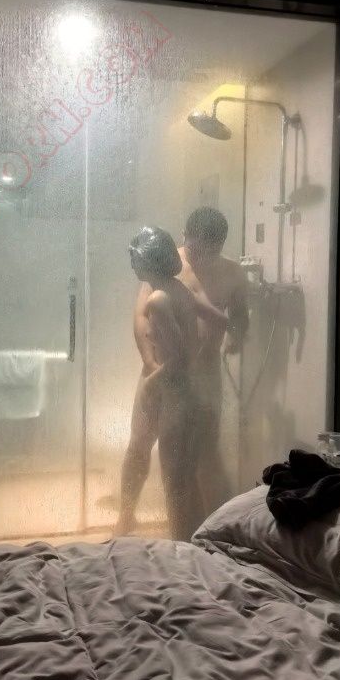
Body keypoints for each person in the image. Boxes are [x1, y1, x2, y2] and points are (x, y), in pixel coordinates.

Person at [116, 208, 248, 536]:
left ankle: (202, 528)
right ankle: (126, 516)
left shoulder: (233, 274)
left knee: (200, 452)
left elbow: (237, 318)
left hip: (204, 374)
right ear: (185, 236)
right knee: (140, 443)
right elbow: (141, 318)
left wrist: (236, 337)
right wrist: (153, 368)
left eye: (209, 250)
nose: (199, 256)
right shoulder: (164, 262)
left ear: (220, 245)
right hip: (159, 369)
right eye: (194, 248)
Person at [118, 226, 205, 541]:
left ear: (149, 261)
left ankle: (184, 544)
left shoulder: (160, 297)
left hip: (171, 388)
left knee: (174, 473)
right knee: (151, 457)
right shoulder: (174, 289)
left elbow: (180, 357)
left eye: (135, 258)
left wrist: (152, 382)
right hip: (171, 384)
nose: (131, 264)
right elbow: (189, 346)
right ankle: (130, 521)